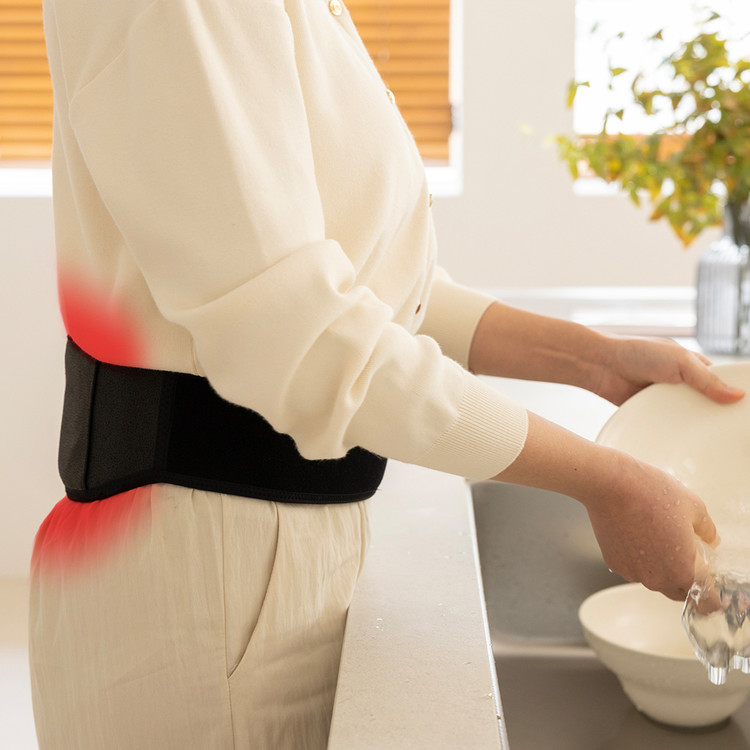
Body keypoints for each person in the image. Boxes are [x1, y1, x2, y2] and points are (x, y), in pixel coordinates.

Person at [30, 0, 743, 748]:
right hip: (206, 581)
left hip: (265, 555)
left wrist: (595, 359)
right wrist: (607, 480)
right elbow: (303, 338)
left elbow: (373, 291)